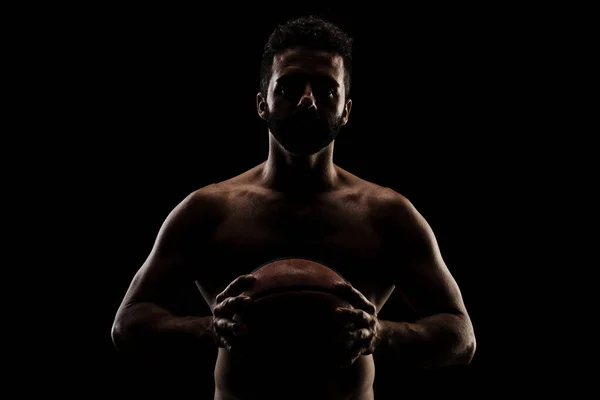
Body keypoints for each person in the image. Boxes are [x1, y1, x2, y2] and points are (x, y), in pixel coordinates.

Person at [111, 15, 476, 400]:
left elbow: (461, 336)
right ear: (261, 104)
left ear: (347, 110)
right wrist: (210, 329)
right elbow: (128, 324)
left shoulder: (386, 215)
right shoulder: (208, 211)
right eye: (287, 87)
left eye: (326, 88)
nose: (307, 100)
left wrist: (382, 334)